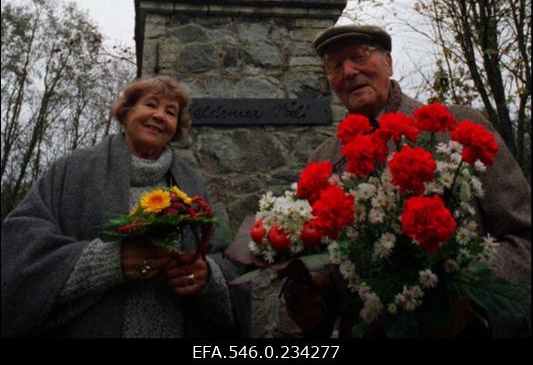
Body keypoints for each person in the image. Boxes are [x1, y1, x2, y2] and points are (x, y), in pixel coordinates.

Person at [283, 24, 531, 338]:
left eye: (359, 56)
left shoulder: (459, 128)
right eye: (334, 65)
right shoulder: (322, 163)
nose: (348, 71)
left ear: (388, 62)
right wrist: (316, 294)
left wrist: (472, 296)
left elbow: (524, 235)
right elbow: (334, 262)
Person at [1, 75, 245, 338]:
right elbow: (19, 244)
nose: (160, 116)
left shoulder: (192, 184)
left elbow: (226, 257)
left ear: (176, 128)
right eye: (151, 105)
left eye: (170, 112)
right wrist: (108, 262)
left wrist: (207, 275)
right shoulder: (73, 170)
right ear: (126, 113)